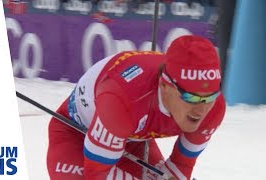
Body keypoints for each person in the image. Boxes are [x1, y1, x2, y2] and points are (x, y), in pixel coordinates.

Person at [46, 35, 226, 180]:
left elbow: (182, 165)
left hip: (133, 142)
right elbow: (97, 174)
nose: (201, 110)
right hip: (75, 135)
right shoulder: (125, 100)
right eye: (191, 97)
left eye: (209, 97)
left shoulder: (214, 108)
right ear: (165, 86)